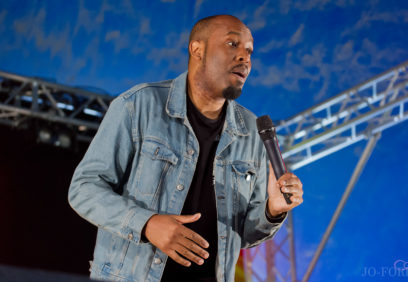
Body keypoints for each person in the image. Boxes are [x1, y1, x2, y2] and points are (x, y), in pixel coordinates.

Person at [68, 14, 304, 282]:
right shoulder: (139, 105)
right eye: (232, 44)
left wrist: (271, 211)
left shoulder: (251, 132)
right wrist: (146, 224)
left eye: (249, 51)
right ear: (197, 50)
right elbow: (84, 189)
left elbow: (243, 236)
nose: (245, 58)